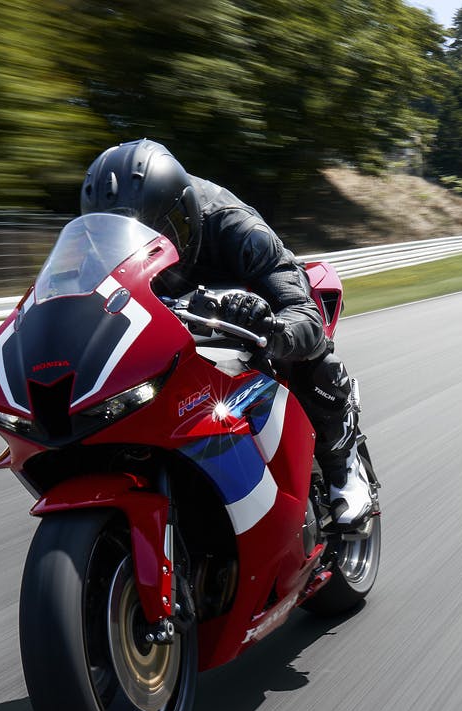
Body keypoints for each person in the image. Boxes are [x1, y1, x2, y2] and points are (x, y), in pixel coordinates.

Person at [79, 139, 371, 529]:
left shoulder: (234, 225)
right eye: (117, 236)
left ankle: (342, 461)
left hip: (248, 307)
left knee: (297, 350)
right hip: (166, 321)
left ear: (182, 215)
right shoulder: (96, 245)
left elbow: (303, 312)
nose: (134, 246)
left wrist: (273, 326)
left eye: (151, 231)